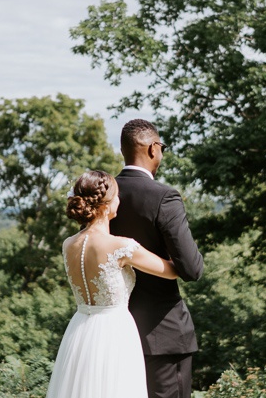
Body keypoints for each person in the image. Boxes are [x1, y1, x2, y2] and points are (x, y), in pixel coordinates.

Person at [46, 170, 178, 398]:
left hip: (79, 330)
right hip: (114, 331)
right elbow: (170, 271)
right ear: (105, 205)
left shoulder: (68, 245)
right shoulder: (121, 246)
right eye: (117, 196)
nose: (120, 200)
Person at [110, 119, 204, 398]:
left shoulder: (102, 195)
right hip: (163, 334)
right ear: (153, 148)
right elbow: (192, 269)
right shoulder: (164, 196)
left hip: (113, 330)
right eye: (162, 147)